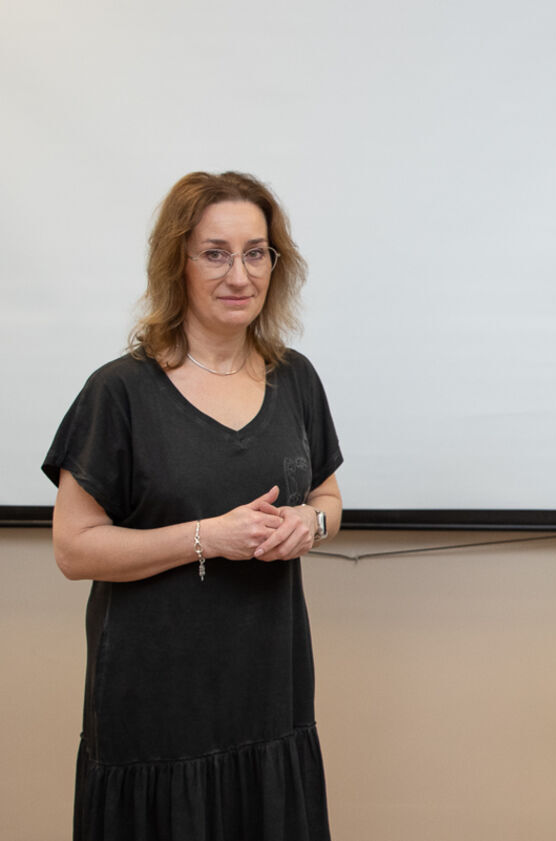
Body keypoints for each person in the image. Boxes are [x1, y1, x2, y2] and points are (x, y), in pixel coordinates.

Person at [43, 171, 342, 841]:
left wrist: (311, 522)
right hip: (155, 711)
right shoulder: (119, 392)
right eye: (215, 253)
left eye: (256, 253)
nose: (240, 274)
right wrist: (208, 537)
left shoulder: (296, 377)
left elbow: (328, 497)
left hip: (270, 698)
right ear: (176, 263)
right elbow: (73, 548)